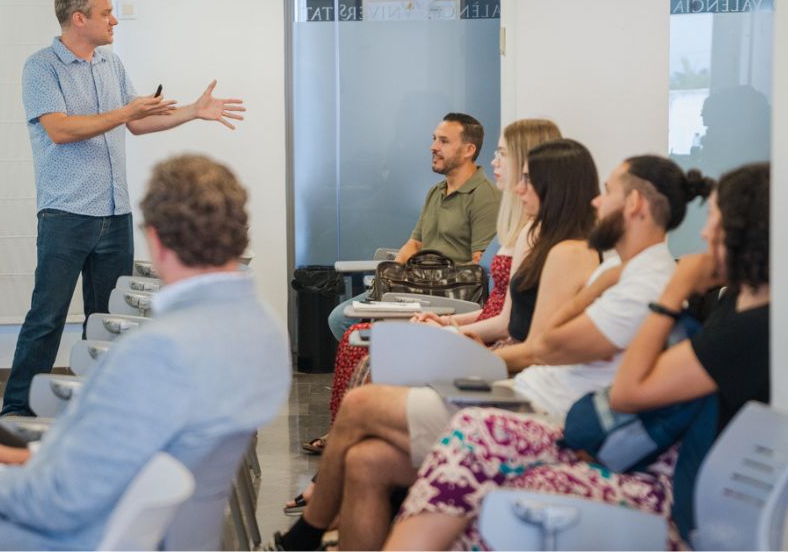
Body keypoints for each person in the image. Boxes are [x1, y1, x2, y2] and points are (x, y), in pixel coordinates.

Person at [383, 162, 767, 550]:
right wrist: (604, 283)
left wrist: (672, 294)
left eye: (715, 220)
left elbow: (625, 392)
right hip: (656, 461)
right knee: (473, 444)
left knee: (484, 454)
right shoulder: (737, 303)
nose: (704, 233)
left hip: (677, 494)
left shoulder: (749, 327)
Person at [0, 155, 291, 550]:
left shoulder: (154, 353)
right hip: (150, 510)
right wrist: (14, 457)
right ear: (238, 232)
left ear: (155, 239)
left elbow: (65, 499)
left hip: (93, 530)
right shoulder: (265, 329)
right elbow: (122, 452)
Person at [273, 138, 610, 550]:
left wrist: (461, 343)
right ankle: (322, 517)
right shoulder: (540, 239)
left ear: (556, 188)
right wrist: (452, 330)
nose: (520, 189)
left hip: (531, 399)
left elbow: (536, 346)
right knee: (365, 461)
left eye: (528, 180)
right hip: (513, 373)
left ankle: (306, 531)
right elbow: (510, 322)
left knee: (364, 401)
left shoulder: (568, 252)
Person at [0, 0, 246, 417]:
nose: (114, 20)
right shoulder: (41, 68)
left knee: (107, 322)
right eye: (105, 13)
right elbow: (60, 130)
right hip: (65, 214)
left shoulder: (110, 64)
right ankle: (16, 410)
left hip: (113, 213)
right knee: (47, 318)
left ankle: (102, 409)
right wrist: (127, 111)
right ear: (79, 19)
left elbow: (138, 122)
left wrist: (192, 111)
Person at [327, 113, 501, 341]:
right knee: (340, 317)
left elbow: (478, 267)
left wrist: (422, 281)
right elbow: (415, 243)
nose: (433, 147)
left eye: (443, 141)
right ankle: (387, 369)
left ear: (469, 150)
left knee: (342, 319)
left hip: (446, 294)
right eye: (434, 139)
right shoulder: (436, 192)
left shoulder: (484, 196)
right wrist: (393, 277)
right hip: (417, 287)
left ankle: (392, 370)